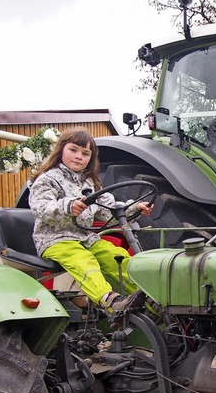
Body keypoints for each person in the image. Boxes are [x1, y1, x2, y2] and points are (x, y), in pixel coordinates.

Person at [28, 128, 153, 314]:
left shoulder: (90, 183)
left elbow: (108, 209)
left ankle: (152, 300)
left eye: (85, 153)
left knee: (117, 257)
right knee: (84, 261)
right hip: (55, 239)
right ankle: (110, 301)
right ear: (61, 149)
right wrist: (68, 207)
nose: (79, 156)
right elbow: (41, 207)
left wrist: (134, 208)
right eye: (73, 150)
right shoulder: (47, 179)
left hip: (85, 239)